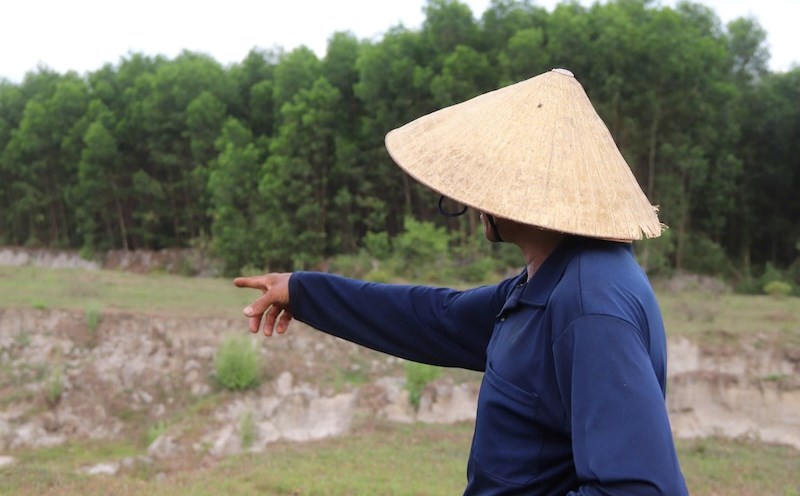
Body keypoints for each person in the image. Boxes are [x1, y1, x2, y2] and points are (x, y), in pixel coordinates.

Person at [235, 68, 689, 495]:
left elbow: (637, 489)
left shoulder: (591, 305)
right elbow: (440, 319)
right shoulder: (551, 282)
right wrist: (304, 291)